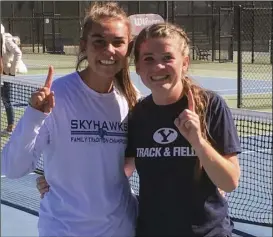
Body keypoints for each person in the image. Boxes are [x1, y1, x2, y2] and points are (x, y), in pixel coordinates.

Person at [36, 23, 240, 236]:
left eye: (167, 58)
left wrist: (198, 142)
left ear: (185, 63)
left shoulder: (210, 106)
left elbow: (229, 182)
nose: (158, 67)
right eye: (149, 59)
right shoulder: (138, 114)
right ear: (138, 68)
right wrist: (59, 182)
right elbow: (117, 169)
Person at [1, 2, 139, 237]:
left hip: (121, 229)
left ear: (128, 48)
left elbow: (125, 165)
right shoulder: (57, 96)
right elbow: (12, 168)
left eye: (118, 42)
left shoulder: (132, 99)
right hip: (64, 231)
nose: (109, 50)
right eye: (99, 42)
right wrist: (34, 115)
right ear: (84, 46)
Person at [1, 23, 16, 136]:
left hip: (6, 74)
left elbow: (18, 53)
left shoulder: (7, 40)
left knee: (6, 100)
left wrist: (12, 71)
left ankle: (11, 126)